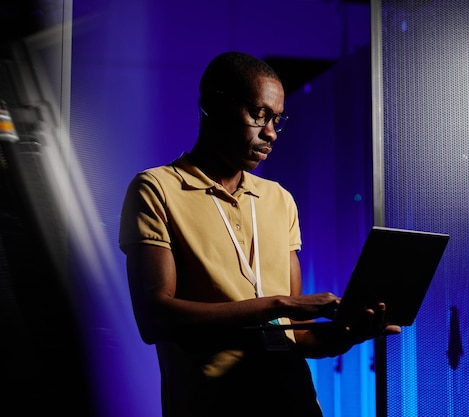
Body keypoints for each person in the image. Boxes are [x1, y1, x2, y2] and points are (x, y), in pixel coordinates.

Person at [118, 51, 401, 417]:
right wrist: (279, 305)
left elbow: (295, 335)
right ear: (212, 106)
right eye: (259, 115)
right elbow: (155, 318)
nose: (270, 132)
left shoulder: (279, 199)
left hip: (294, 404)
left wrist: (349, 334)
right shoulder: (155, 188)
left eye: (277, 119)